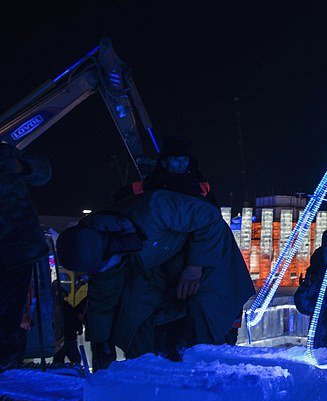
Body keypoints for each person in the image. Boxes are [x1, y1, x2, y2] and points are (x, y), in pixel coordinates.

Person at [57, 189, 255, 366]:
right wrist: (101, 344)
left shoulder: (155, 207)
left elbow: (209, 217)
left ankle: (205, 374)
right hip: (159, 268)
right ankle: (148, 372)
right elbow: (103, 299)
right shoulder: (99, 253)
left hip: (208, 260)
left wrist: (195, 267)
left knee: (204, 317)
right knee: (134, 317)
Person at [0, 142, 52, 371]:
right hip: (18, 246)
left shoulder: (5, 153)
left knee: (9, 315)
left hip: (17, 246)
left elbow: (43, 172)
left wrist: (22, 166)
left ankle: (6, 371)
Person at [113, 136, 216, 204]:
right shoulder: (151, 184)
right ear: (164, 162)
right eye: (176, 159)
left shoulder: (201, 187)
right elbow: (119, 196)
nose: (182, 164)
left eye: (185, 159)